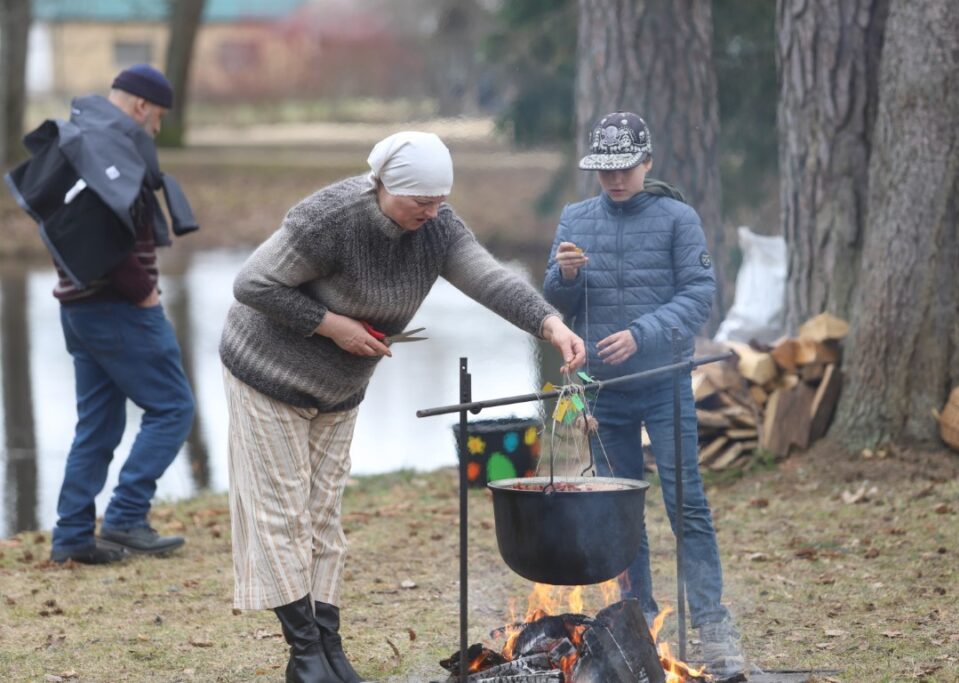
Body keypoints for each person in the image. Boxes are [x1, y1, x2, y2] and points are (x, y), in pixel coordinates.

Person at [219, 131, 585, 683]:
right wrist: (332, 326)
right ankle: (304, 657)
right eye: (421, 201)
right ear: (386, 185)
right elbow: (252, 283)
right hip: (266, 370)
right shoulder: (329, 221)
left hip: (339, 385)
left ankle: (328, 647)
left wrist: (549, 322)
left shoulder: (437, 227)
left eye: (441, 201)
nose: (433, 212)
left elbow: (487, 278)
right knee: (281, 512)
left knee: (322, 515)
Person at [543, 111, 751, 678]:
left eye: (626, 168)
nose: (615, 179)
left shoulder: (677, 218)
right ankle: (640, 618)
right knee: (620, 511)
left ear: (647, 163)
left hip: (664, 386)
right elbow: (553, 301)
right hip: (604, 393)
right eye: (605, 169)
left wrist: (642, 335)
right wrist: (563, 277)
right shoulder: (575, 218)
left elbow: (699, 294)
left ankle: (709, 620)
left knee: (686, 501)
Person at [2, 65, 198, 565]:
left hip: (79, 306)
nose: (155, 130)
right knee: (173, 408)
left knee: (99, 424)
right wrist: (144, 292)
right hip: (119, 308)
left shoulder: (83, 139)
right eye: (156, 120)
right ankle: (127, 516)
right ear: (140, 108)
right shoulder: (114, 146)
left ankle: (71, 536)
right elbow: (113, 230)